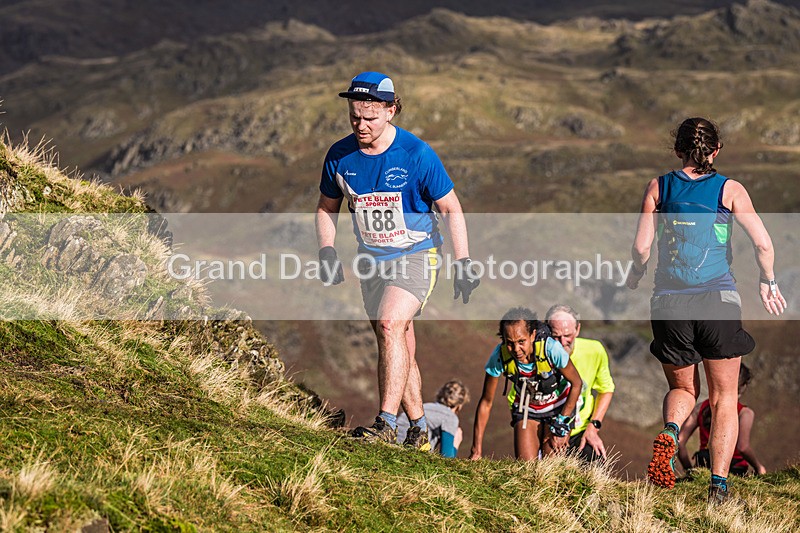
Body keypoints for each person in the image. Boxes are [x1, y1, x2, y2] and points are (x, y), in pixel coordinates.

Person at [315, 71, 479, 450]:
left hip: (417, 254)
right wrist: (327, 250)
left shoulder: (416, 154)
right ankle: (418, 428)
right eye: (355, 117)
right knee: (396, 342)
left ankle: (387, 423)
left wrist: (463, 262)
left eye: (370, 118)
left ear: (391, 111)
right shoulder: (339, 156)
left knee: (390, 325)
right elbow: (326, 207)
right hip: (372, 261)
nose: (361, 125)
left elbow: (451, 208)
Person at [626, 117, 786, 504]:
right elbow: (763, 245)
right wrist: (768, 281)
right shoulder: (730, 189)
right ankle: (718, 486)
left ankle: (670, 431)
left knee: (682, 388)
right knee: (723, 398)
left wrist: (636, 273)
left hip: (668, 302)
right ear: (715, 151)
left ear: (677, 150)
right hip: (718, 301)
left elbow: (642, 248)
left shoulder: (658, 187)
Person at [469, 307, 582, 461]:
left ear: (532, 335)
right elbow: (486, 402)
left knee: (551, 466)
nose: (516, 349)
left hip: (558, 409)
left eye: (521, 341)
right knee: (526, 466)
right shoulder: (500, 356)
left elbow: (576, 383)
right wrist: (476, 449)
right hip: (527, 409)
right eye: (510, 343)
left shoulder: (551, 348)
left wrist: (562, 422)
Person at [545, 304, 615, 462]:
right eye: (556, 336)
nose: (562, 342)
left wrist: (593, 427)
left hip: (580, 432)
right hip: (546, 431)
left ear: (577, 329)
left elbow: (606, 389)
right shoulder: (538, 354)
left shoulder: (594, 350)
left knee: (597, 468)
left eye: (567, 335)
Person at [678, 364, 766, 476]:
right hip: (733, 469)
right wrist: (758, 467)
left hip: (703, 465)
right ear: (743, 386)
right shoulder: (744, 413)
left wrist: (689, 470)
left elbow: (680, 441)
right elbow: (743, 447)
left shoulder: (700, 408)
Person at [396, 380, 470, 458]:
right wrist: (456, 444)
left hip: (394, 444)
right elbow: (447, 457)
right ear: (459, 406)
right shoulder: (450, 417)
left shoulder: (422, 407)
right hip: (410, 454)